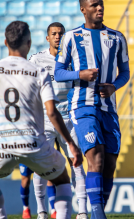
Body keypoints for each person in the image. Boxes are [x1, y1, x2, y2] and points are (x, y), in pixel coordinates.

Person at [0, 21, 82, 219]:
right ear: (29, 42)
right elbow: (52, 113)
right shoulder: (39, 72)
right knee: (62, 179)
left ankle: (1, 217)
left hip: (2, 146)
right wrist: (70, 143)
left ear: (5, 42)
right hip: (33, 145)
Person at [55, 0, 130, 219]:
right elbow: (58, 73)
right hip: (82, 106)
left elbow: (125, 73)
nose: (100, 8)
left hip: (108, 108)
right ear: (83, 9)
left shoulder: (116, 37)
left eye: (101, 4)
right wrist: (81, 74)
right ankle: (97, 215)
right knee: (95, 156)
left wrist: (114, 86)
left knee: (109, 163)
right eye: (94, 5)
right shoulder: (72, 37)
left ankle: (99, 211)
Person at [29, 22, 88, 219]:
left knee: (76, 162)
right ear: (47, 38)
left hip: (67, 118)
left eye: (61, 33)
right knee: (40, 165)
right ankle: (41, 211)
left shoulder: (73, 60)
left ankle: (82, 211)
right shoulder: (37, 60)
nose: (58, 37)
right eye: (54, 34)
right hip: (44, 119)